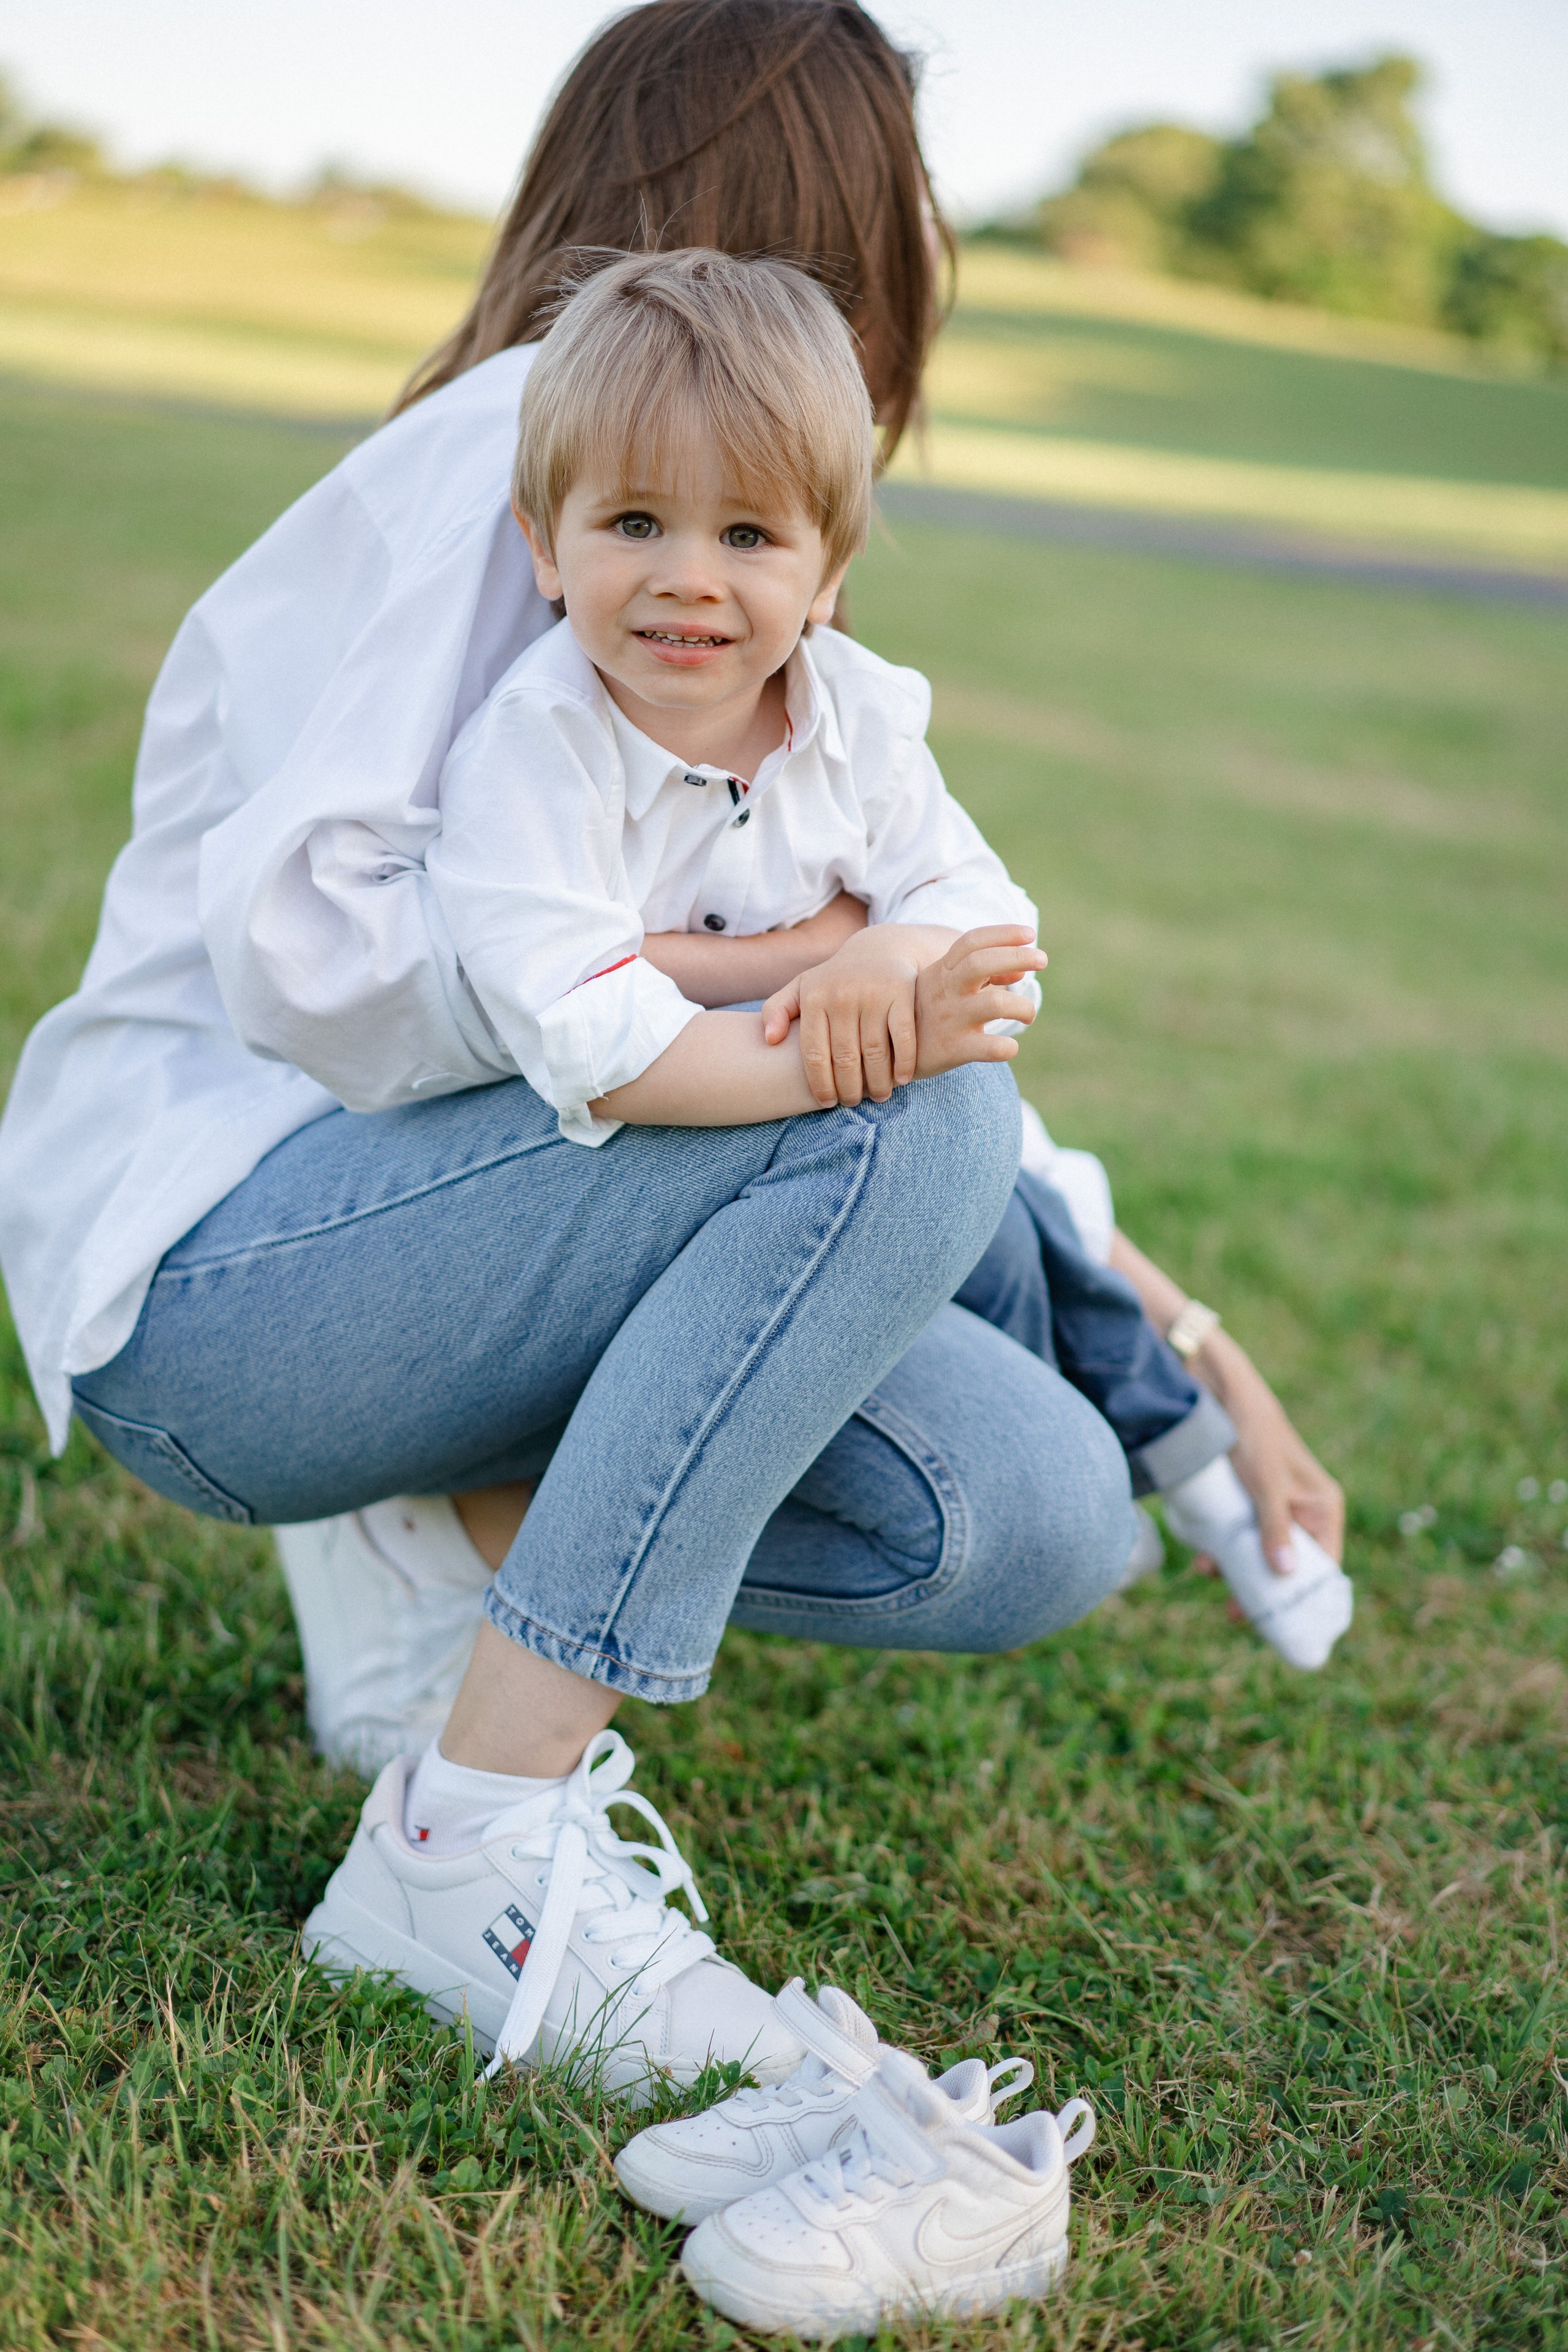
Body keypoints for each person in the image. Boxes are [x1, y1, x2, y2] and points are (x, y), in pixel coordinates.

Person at [0, 0, 1343, 2105]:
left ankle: (430, 1523)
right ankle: (471, 1845)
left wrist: (1164, 1320)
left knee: (1028, 1511)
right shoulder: (542, 451)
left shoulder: (718, 553)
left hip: (490, 1228)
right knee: (908, 1097)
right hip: (221, 1280)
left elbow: (891, 971)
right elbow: (309, 958)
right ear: (836, 226)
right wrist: (738, 986)